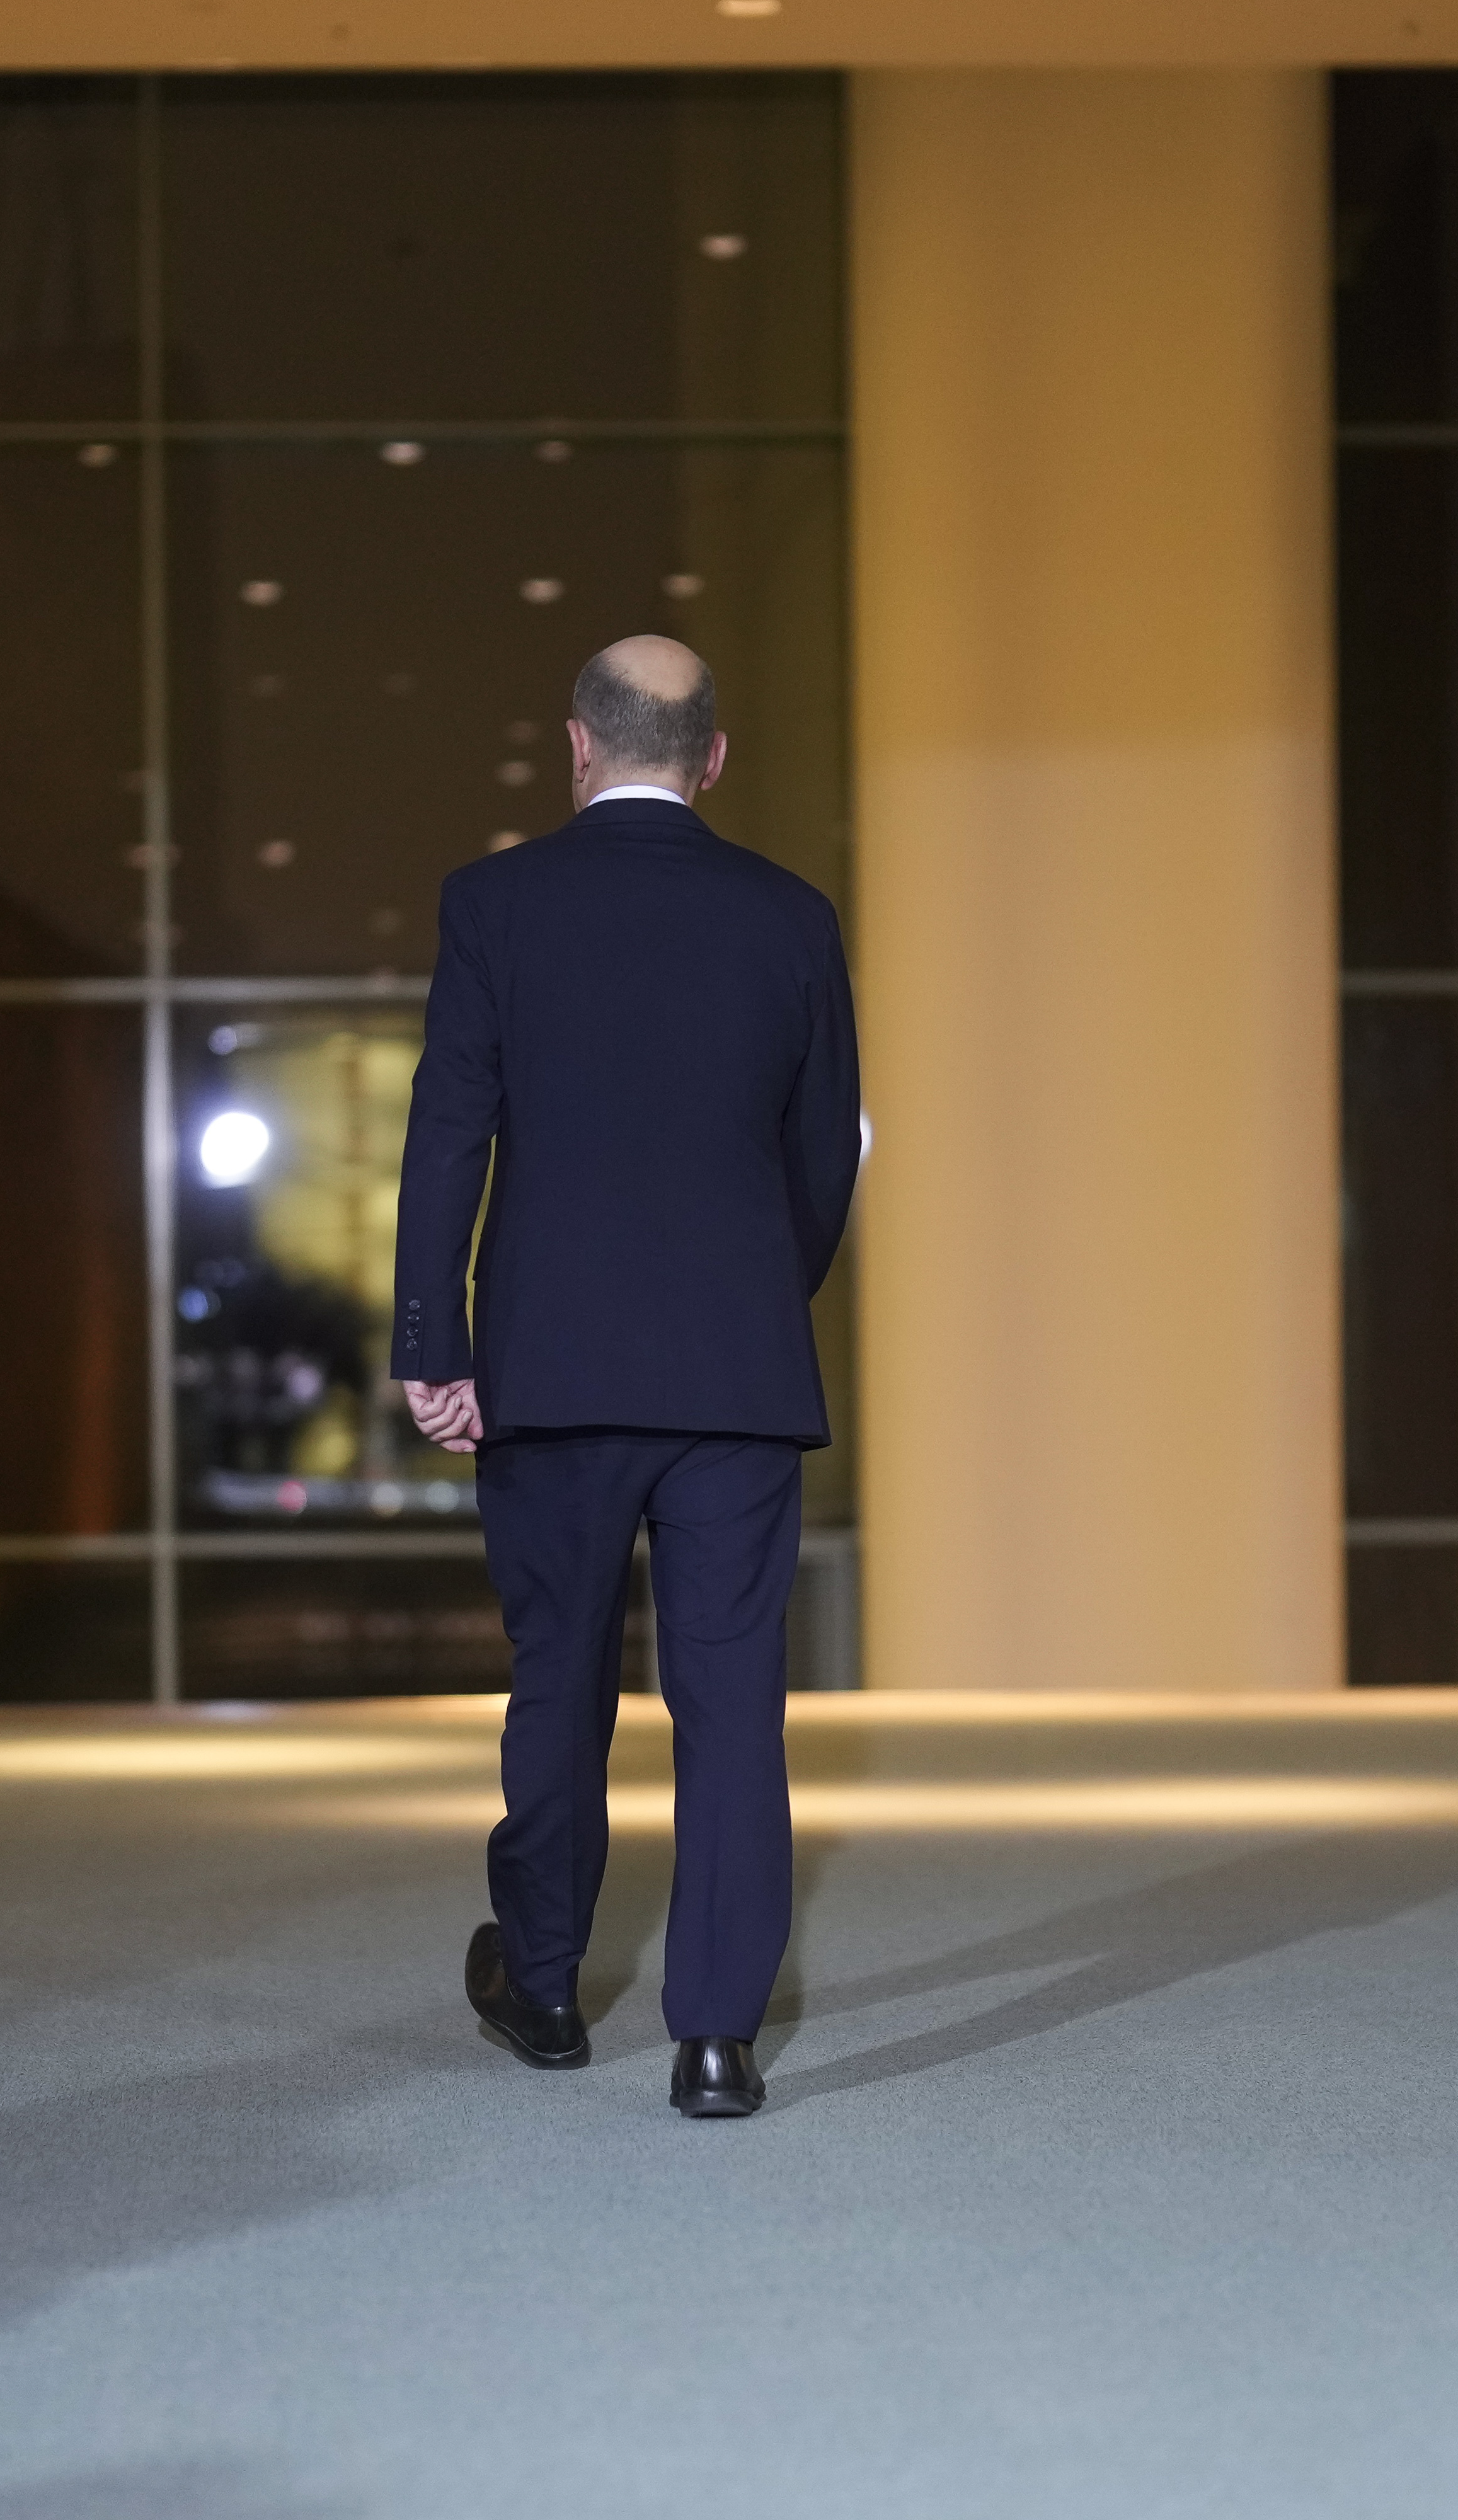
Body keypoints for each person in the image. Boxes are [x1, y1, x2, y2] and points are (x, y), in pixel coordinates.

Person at [391, 634, 858, 2119]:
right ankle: (716, 2038)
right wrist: (751, 1302)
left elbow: (446, 1134)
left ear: (578, 746)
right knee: (732, 1707)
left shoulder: (496, 905)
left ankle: (541, 1986)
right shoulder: (792, 917)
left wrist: (435, 1341)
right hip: (736, 1374)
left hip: (554, 1367)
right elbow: (823, 1147)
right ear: (712, 755)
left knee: (561, 1680)